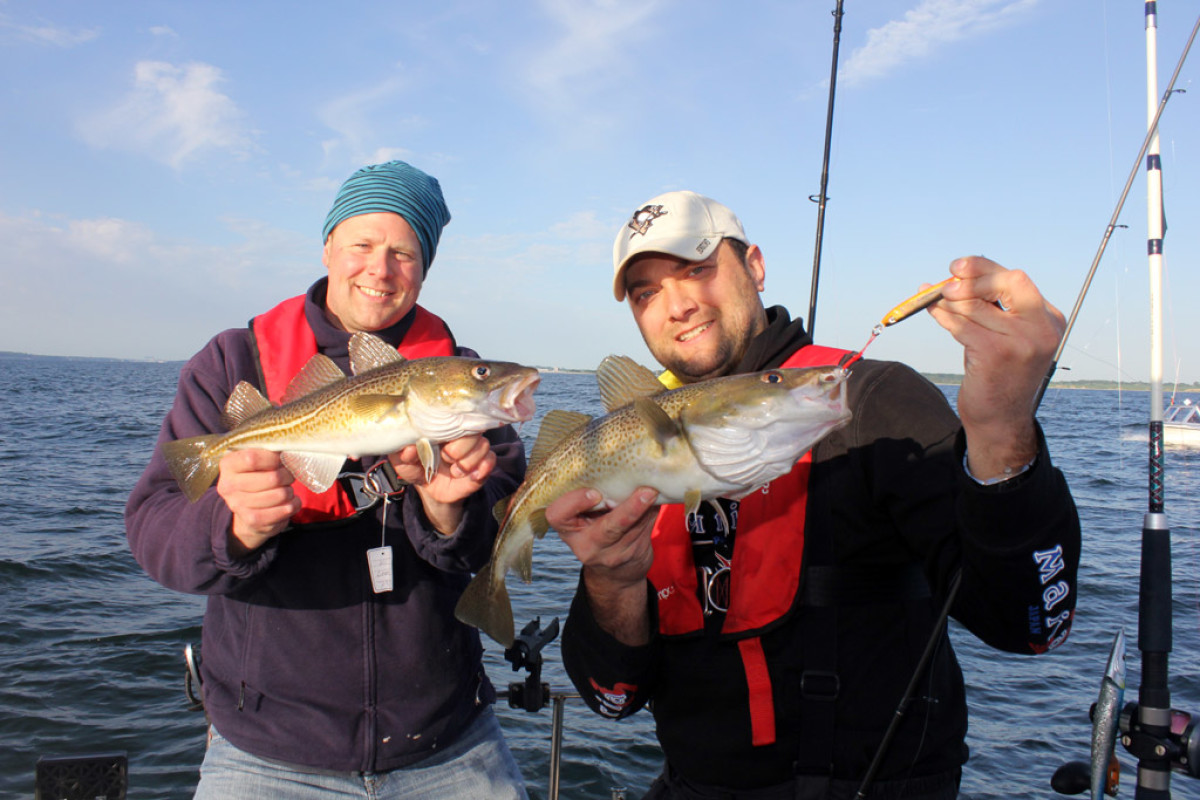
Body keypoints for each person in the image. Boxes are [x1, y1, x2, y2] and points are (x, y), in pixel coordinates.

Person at [549, 190, 1081, 799]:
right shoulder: (639, 447)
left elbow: (1033, 625)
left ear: (754, 265)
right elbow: (612, 700)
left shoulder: (871, 398)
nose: (677, 304)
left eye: (697, 268)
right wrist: (612, 582)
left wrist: (1002, 431)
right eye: (646, 293)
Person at [126, 160, 529, 799]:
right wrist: (231, 526)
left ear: (424, 269)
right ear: (328, 247)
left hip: (447, 743)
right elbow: (153, 530)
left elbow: (506, 532)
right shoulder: (232, 361)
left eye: (404, 252)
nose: (381, 268)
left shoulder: (463, 385)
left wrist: (451, 513)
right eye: (362, 245)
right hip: (263, 750)